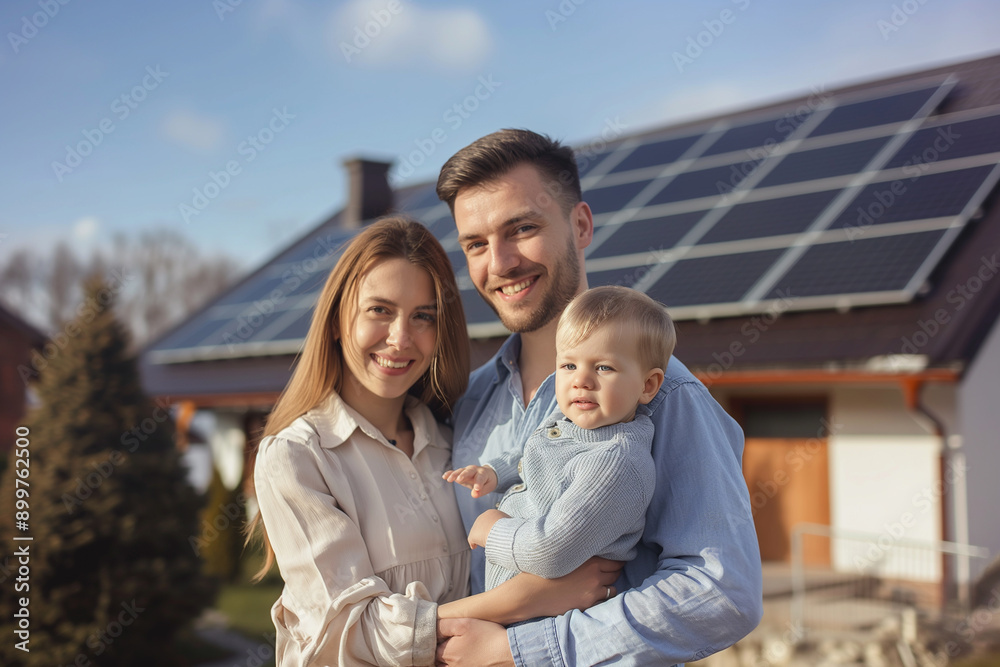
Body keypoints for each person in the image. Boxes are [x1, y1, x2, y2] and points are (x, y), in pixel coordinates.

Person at [434, 130, 764, 666]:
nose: (500, 263)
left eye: (522, 228)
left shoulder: (665, 395)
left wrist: (518, 650)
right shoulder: (470, 400)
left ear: (581, 225)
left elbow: (721, 591)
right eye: (475, 244)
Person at [246, 217, 618, 666]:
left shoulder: (453, 442)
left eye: (423, 316)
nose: (400, 339)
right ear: (337, 321)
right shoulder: (297, 456)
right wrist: (525, 599)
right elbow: (350, 630)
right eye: (379, 310)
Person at [444, 286, 672, 593]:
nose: (581, 380)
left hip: (548, 613)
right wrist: (494, 472)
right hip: (518, 602)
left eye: (603, 367)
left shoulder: (615, 463)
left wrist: (493, 530)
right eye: (569, 366)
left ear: (648, 385)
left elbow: (550, 550)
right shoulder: (566, 422)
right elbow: (533, 453)